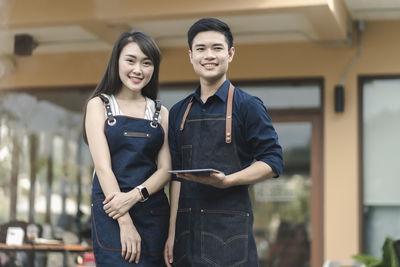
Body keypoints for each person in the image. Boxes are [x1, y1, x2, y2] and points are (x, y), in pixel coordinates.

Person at [164, 18, 283, 267]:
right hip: (186, 239)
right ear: (190, 56)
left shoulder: (248, 106)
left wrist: (228, 180)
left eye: (217, 48)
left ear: (230, 54)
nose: (209, 55)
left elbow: (273, 160)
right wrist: (171, 234)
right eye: (201, 49)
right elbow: (175, 178)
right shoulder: (178, 112)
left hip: (231, 240)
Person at [83, 30, 171, 266]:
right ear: (117, 62)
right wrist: (125, 222)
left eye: (146, 63)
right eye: (130, 60)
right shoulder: (99, 105)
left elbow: (165, 170)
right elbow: (103, 168)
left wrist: (134, 196)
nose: (138, 70)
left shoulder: (160, 113)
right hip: (113, 214)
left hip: (152, 214)